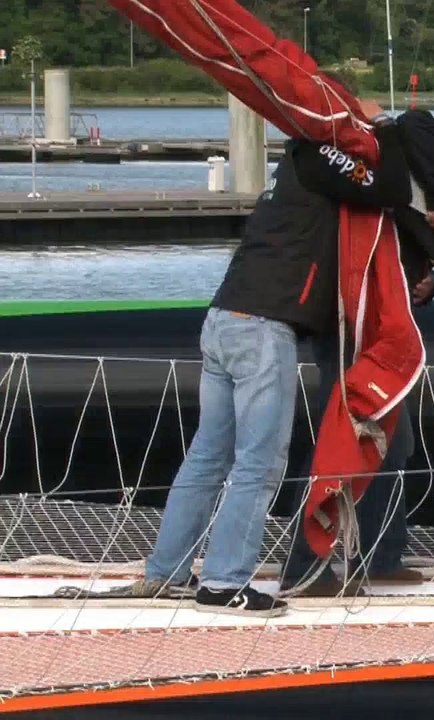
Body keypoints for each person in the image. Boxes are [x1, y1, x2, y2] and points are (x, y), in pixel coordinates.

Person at [139, 99, 418, 617]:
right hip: (265, 329)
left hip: (223, 317)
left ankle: (166, 573)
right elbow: (393, 188)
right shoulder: (322, 157)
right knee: (260, 462)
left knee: (208, 456)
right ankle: (224, 582)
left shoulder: (291, 166)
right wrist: (385, 128)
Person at [277, 111, 434, 597]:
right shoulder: (433, 149)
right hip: (351, 314)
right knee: (346, 435)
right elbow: (412, 123)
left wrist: (427, 282)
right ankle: (305, 566)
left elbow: (404, 238)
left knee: (393, 441)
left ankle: (379, 555)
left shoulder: (429, 184)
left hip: (377, 317)